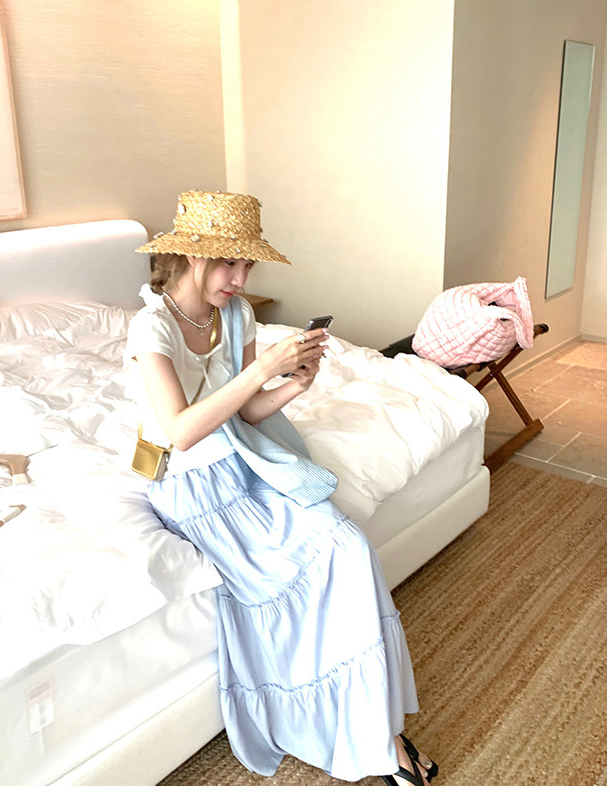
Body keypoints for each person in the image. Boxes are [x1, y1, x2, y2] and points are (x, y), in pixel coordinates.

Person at [124, 190, 438, 786]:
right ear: (193, 255)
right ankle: (372, 738)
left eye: (248, 265)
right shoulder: (151, 327)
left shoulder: (236, 314)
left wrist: (294, 384)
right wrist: (261, 370)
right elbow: (182, 432)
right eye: (229, 263)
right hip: (190, 485)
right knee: (294, 576)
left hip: (246, 461)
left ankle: (378, 727)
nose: (240, 280)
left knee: (349, 548)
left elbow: (246, 413)